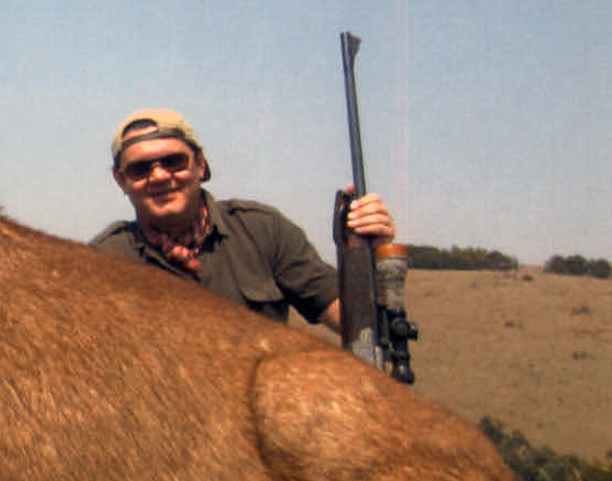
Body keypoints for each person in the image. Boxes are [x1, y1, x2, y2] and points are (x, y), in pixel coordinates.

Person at [90, 109, 395, 334]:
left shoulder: (263, 231)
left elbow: (355, 324)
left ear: (200, 164)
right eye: (140, 169)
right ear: (121, 180)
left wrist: (377, 254)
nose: (159, 176)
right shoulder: (104, 260)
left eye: (174, 162)